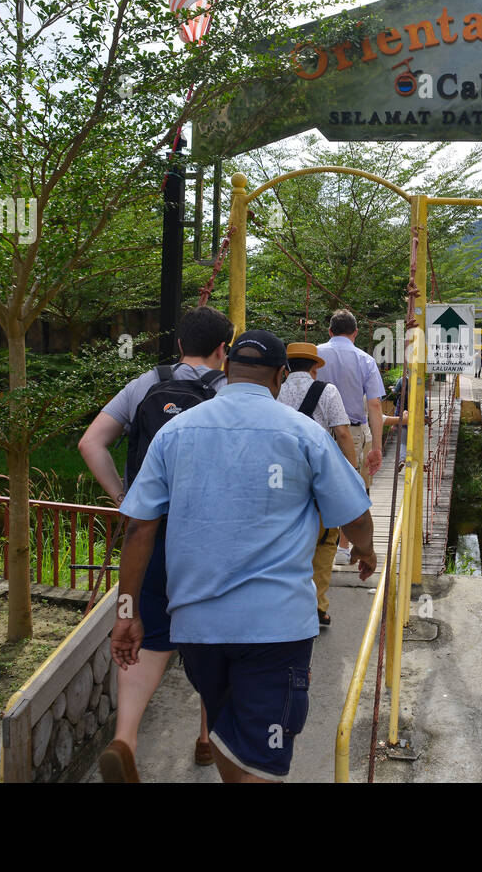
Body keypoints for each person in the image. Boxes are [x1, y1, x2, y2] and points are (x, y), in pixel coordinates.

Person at [105, 329, 376, 783]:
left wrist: (127, 609)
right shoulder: (304, 433)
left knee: (229, 736)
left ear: (226, 369)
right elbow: (356, 515)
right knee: (262, 761)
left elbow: (138, 529)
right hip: (275, 630)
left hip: (195, 627)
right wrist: (365, 553)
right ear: (281, 376)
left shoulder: (175, 432)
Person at [79, 306, 232, 774]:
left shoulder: (145, 384)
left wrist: (126, 498)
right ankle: (206, 737)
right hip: (209, 540)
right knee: (212, 639)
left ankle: (125, 738)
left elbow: (91, 443)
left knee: (144, 635)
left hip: (148, 537)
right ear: (224, 349)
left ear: (180, 344)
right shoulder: (233, 393)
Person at [277, 341, 359, 628]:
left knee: (285, 541)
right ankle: (317, 606)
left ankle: (284, 603)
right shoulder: (327, 391)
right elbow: (343, 432)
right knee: (325, 542)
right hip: (318, 478)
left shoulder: (275, 390)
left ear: (286, 366)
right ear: (314, 366)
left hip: (281, 479)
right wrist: (352, 472)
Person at [315, 309, 386, 491]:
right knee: (350, 491)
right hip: (351, 434)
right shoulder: (366, 361)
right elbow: (374, 404)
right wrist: (376, 448)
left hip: (315, 433)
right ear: (355, 332)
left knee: (319, 490)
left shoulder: (313, 355)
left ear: (330, 331)